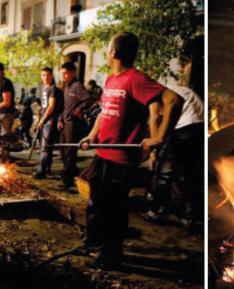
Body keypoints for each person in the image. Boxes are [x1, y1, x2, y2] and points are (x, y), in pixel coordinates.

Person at [78, 32, 184, 266]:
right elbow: (104, 113)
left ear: (114, 52)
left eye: (108, 49)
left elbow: (174, 100)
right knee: (95, 201)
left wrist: (159, 137)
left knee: (114, 209)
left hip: (121, 158)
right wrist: (91, 135)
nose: (107, 52)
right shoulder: (110, 80)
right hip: (102, 153)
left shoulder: (135, 78)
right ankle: (93, 241)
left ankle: (111, 255)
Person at [146, 76, 205, 226]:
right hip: (200, 129)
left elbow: (154, 118)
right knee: (190, 174)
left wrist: (155, 148)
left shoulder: (157, 94)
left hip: (183, 129)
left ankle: (157, 211)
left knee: (164, 172)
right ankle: (189, 216)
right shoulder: (178, 89)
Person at [59, 61, 94, 188]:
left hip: (74, 123)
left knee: (69, 151)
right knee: (63, 149)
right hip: (65, 121)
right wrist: (60, 119)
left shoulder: (77, 85)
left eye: (66, 74)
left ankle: (67, 179)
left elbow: (88, 99)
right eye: (62, 74)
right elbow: (66, 106)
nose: (63, 76)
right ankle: (73, 173)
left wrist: (79, 110)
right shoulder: (66, 86)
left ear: (73, 73)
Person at [34, 67, 62, 179]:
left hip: (50, 120)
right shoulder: (45, 89)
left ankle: (41, 171)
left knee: (45, 147)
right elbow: (45, 107)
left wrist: (42, 120)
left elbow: (51, 106)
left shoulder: (53, 88)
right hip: (45, 119)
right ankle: (47, 169)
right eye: (43, 75)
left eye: (48, 75)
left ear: (52, 75)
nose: (46, 77)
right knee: (46, 146)